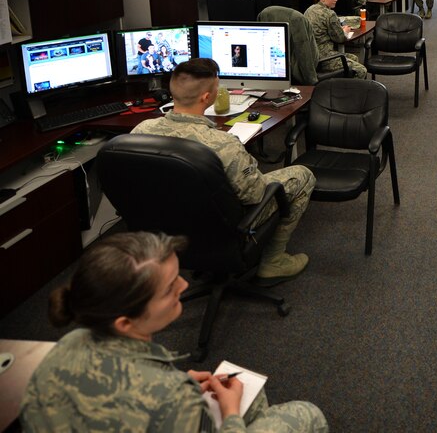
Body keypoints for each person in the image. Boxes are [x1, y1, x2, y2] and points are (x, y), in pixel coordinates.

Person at [20, 231, 328, 432]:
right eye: (170, 289)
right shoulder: (174, 400)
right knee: (307, 414)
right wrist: (230, 414)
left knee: (256, 400)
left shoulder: (66, 346)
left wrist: (177, 382)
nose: (184, 286)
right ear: (125, 322)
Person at [132, 58, 316, 285]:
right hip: (219, 226)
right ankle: (274, 261)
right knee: (302, 175)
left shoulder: (140, 132)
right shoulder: (222, 144)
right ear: (207, 98)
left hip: (163, 225)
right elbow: (255, 195)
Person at [303, 0, 368, 79]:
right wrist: (344, 31)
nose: (336, 0)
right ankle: (350, 92)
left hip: (311, 56)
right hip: (325, 58)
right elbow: (340, 38)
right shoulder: (329, 14)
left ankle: (340, 86)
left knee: (354, 58)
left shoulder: (309, 10)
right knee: (361, 70)